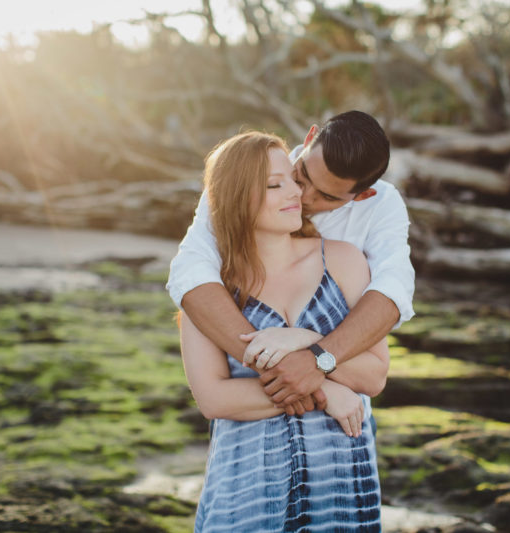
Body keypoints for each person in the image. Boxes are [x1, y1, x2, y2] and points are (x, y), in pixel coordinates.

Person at [180, 131, 389, 530]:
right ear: (238, 196)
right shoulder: (209, 289)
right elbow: (214, 398)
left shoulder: (342, 261)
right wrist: (326, 390)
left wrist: (308, 343)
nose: (297, 192)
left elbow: (374, 375)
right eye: (276, 184)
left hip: (340, 489)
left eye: (293, 179)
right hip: (246, 495)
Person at [168, 110, 415, 415]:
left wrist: (315, 357)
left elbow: (392, 291)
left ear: (363, 195)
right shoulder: (250, 175)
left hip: (347, 414)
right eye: (303, 175)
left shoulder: (380, 209)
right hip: (275, 415)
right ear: (309, 138)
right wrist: (304, 378)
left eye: (326, 196)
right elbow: (190, 271)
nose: (303, 195)